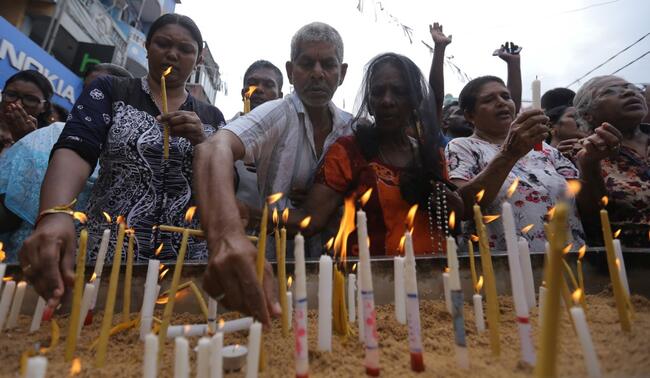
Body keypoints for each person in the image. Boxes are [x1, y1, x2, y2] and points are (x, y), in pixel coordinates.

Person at [19, 13, 225, 309]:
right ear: (146, 46)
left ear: (199, 57)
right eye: (162, 44)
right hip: (110, 249)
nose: (172, 54)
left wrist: (202, 144)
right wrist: (55, 213)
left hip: (185, 256)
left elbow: (223, 183)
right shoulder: (111, 90)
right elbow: (77, 148)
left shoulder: (211, 117)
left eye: (185, 49)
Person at [193, 22, 351, 325]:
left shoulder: (350, 126)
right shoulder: (279, 111)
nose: (318, 72)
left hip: (341, 268)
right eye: (307, 63)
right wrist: (226, 234)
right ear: (291, 72)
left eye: (328, 64)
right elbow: (213, 149)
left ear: (341, 73)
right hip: (276, 261)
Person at [286, 53, 463, 256]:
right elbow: (310, 220)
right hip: (372, 280)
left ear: (415, 101)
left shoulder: (432, 154)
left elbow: (449, 216)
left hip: (436, 276)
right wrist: (252, 215)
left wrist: (455, 207)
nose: (387, 101)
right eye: (378, 92)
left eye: (399, 91)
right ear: (369, 102)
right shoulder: (348, 152)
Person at [0, 65, 132, 263]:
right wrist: (28, 147)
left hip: (93, 264)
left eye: (99, 94)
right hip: (27, 253)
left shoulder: (137, 155)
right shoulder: (52, 134)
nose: (88, 101)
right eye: (86, 92)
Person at [446, 76, 586, 252]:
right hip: (503, 265)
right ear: (469, 115)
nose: (501, 103)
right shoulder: (462, 147)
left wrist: (590, 162)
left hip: (567, 258)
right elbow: (464, 206)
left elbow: (586, 203)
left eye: (506, 97)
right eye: (489, 100)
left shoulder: (546, 150)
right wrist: (509, 154)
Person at [573, 76, 648, 247]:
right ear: (588, 115)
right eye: (610, 91)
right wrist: (589, 165)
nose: (629, 92)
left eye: (632, 87)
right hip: (627, 266)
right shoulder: (576, 154)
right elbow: (590, 216)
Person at [427, 22, 521, 140]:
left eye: (505, 97)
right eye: (460, 114)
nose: (501, 103)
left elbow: (513, 107)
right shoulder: (445, 145)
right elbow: (435, 100)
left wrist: (513, 63)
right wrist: (440, 48)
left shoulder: (505, 142)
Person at [231, 60, 284, 213]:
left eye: (268, 85)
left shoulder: (290, 138)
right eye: (253, 83)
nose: (259, 89)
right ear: (243, 93)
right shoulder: (221, 131)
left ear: (280, 97)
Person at [0, 70, 54, 153]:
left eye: (30, 99)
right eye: (11, 95)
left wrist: (26, 142)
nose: (17, 104)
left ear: (44, 107)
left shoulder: (47, 145)